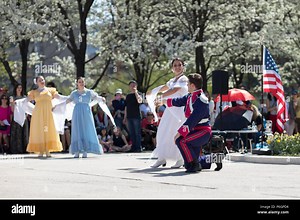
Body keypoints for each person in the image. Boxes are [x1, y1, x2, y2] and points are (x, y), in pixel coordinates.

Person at [166, 73, 211, 173]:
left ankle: (193, 165)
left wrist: (179, 133)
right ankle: (212, 158)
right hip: (195, 131)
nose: (186, 86)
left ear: (192, 86)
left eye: (187, 84)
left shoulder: (201, 100)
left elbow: (193, 120)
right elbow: (178, 101)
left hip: (203, 132)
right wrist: (163, 101)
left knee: (181, 140)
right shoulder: (191, 96)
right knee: (196, 157)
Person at [149, 58, 188, 168]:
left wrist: (160, 97)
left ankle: (180, 159)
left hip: (179, 111)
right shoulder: (172, 80)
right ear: (172, 68)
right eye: (175, 65)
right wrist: (152, 92)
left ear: (183, 67)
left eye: (179, 65)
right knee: (162, 132)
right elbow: (164, 87)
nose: (177, 67)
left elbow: (174, 90)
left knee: (176, 133)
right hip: (170, 111)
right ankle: (161, 158)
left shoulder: (184, 79)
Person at [67, 77, 105, 158]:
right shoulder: (74, 93)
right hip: (77, 113)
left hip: (86, 113)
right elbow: (68, 100)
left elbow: (96, 97)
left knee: (86, 129)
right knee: (77, 130)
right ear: (77, 83)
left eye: (82, 82)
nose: (81, 83)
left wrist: (102, 98)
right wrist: (59, 105)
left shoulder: (89, 92)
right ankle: (77, 150)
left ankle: (85, 150)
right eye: (79, 82)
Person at [26, 75, 63, 157]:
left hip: (48, 114)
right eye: (40, 80)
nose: (42, 81)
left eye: (42, 80)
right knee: (40, 130)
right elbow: (26, 100)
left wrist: (67, 98)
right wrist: (18, 102)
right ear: (37, 82)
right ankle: (41, 150)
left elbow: (59, 97)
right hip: (38, 114)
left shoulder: (50, 90)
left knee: (47, 129)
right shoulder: (34, 92)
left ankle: (47, 150)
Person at [123, 80, 143, 152]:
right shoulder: (128, 96)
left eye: (134, 85)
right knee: (131, 132)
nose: (133, 87)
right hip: (129, 116)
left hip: (136, 116)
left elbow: (140, 101)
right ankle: (133, 147)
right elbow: (126, 107)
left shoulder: (139, 94)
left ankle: (138, 147)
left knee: (137, 132)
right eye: (131, 85)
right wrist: (125, 117)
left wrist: (136, 92)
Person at [9, 83, 29, 154]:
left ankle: (25, 149)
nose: (19, 89)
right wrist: (12, 103)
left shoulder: (24, 97)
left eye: (20, 87)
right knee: (17, 134)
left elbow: (27, 108)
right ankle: (17, 150)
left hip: (24, 117)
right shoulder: (13, 97)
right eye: (18, 87)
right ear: (16, 89)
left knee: (24, 134)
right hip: (16, 117)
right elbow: (12, 110)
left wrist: (26, 115)